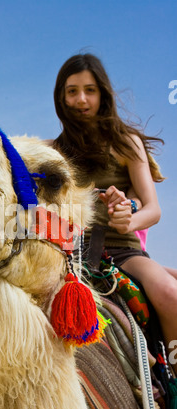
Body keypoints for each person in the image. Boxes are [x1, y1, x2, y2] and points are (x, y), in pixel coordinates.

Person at [52, 53, 177, 374]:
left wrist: (128, 218)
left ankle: (174, 375)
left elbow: (153, 209)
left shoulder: (126, 144)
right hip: (68, 255)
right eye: (72, 91)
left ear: (103, 94)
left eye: (90, 90)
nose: (81, 99)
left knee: (168, 293)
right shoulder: (53, 152)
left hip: (123, 250)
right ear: (61, 97)